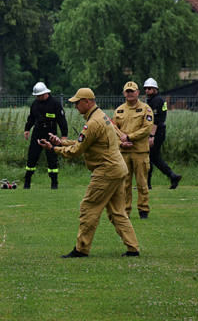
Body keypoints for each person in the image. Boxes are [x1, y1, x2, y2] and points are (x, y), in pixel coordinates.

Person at [38, 88, 140, 258]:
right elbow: (85, 143)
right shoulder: (102, 116)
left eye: (77, 103)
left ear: (87, 101)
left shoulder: (92, 123)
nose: (75, 106)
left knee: (88, 208)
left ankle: (81, 249)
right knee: (117, 212)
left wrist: (54, 149)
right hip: (118, 169)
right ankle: (133, 248)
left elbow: (77, 150)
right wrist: (62, 142)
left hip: (106, 171)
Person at [112, 81, 153, 219]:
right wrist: (121, 143)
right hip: (124, 153)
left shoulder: (146, 109)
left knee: (142, 183)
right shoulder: (118, 111)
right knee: (125, 184)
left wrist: (129, 137)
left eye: (132, 91)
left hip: (140, 152)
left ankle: (143, 210)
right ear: (124, 93)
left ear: (137, 93)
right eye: (127, 91)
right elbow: (113, 132)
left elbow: (146, 129)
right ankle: (125, 211)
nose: (130, 93)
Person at [23, 82, 68, 189]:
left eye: (39, 95)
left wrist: (64, 135)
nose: (38, 97)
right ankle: (27, 182)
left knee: (52, 158)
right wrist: (27, 129)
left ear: (45, 93)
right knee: (32, 157)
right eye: (37, 96)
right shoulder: (35, 103)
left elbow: (61, 120)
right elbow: (31, 118)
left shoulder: (55, 103)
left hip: (50, 133)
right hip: (37, 132)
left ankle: (54, 183)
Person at [143, 78, 182, 190]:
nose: (147, 90)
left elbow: (155, 120)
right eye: (145, 89)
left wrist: (151, 136)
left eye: (149, 88)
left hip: (156, 131)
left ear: (155, 89)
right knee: (152, 157)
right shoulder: (160, 99)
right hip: (159, 130)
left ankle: (171, 176)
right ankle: (149, 183)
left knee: (152, 157)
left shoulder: (156, 101)